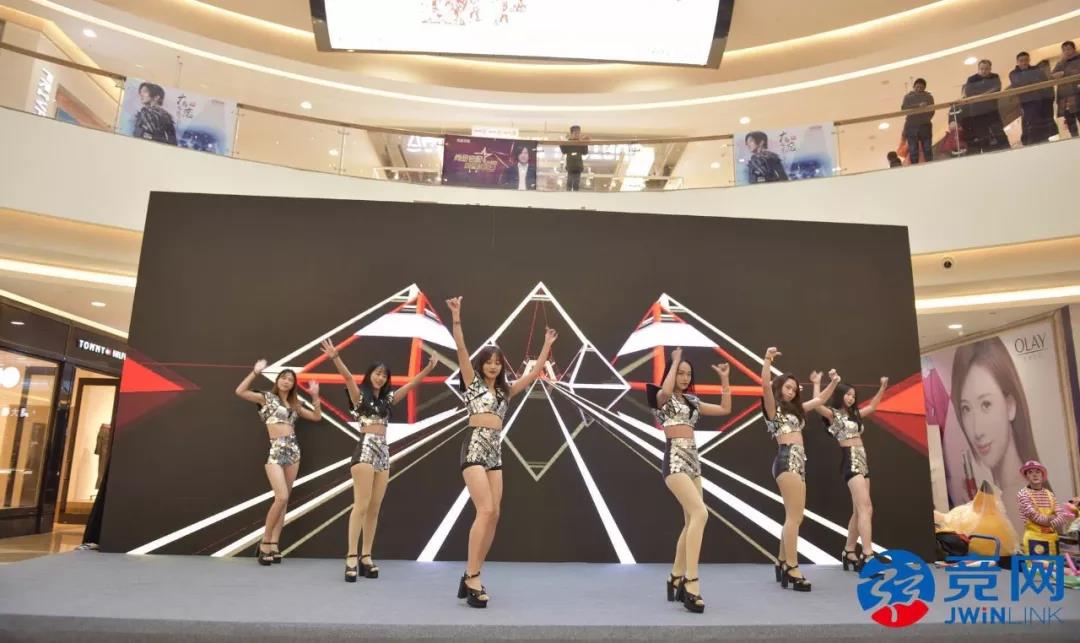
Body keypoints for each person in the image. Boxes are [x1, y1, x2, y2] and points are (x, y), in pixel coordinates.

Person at [445, 296, 556, 608]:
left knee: (494, 514)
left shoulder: (506, 391)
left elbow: (535, 374)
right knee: (484, 510)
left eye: (497, 362)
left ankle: (472, 572)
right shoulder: (472, 383)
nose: (493, 366)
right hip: (474, 446)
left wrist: (547, 345)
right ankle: (472, 577)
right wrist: (456, 318)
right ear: (481, 364)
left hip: (495, 451)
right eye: (489, 361)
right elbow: (461, 349)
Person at [320, 340, 438, 582]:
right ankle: (351, 556)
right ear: (369, 375)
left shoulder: (387, 400)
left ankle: (366, 556)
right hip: (364, 451)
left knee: (374, 508)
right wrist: (335, 357)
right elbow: (348, 378)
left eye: (384, 375)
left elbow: (411, 386)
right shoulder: (359, 397)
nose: (380, 378)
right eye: (377, 373)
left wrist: (427, 369)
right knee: (361, 505)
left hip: (383, 453)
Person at [648, 347, 731, 614]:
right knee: (700, 514)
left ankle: (675, 576)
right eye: (680, 373)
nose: (684, 378)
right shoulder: (660, 397)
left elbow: (725, 408)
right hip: (674, 461)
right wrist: (673, 362)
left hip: (694, 463)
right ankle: (690, 581)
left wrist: (725, 380)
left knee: (691, 521)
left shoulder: (693, 401)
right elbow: (665, 389)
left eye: (688, 374)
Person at [760, 348, 838, 592]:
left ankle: (782, 562)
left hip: (797, 462)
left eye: (794, 389)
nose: (791, 391)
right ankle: (792, 567)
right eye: (787, 387)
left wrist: (833, 382)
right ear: (779, 387)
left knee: (792, 516)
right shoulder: (773, 409)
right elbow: (765, 387)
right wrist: (767, 360)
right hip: (787, 460)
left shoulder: (795, 410)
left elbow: (820, 400)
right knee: (795, 517)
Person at [950, 337, 1042, 533]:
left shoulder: (1015, 497)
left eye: (986, 405)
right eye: (966, 409)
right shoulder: (1007, 492)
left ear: (1010, 406)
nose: (977, 431)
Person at [235, 360, 323, 565]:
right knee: (281, 497)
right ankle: (265, 542)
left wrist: (315, 396)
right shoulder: (266, 398)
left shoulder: (295, 404)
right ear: (278, 380)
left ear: (293, 384)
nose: (286, 381)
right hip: (276, 450)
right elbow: (240, 392)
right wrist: (254, 372)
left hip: (293, 451)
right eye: (283, 378)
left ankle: (274, 544)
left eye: (290, 379)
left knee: (285, 500)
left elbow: (316, 417)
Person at [811, 375, 889, 571]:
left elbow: (873, 406)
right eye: (848, 395)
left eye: (854, 396)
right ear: (840, 395)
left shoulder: (855, 415)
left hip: (862, 462)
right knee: (865, 508)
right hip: (851, 461)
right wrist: (817, 384)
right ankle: (868, 555)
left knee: (861, 510)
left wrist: (882, 387)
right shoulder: (833, 414)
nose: (851, 398)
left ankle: (849, 551)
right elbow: (817, 405)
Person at [1015, 460, 1078, 556]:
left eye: (1037, 472)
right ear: (1026, 476)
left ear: (1042, 475)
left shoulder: (1050, 494)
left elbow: (1061, 517)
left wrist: (1051, 522)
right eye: (1030, 472)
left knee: (1054, 565)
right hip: (1035, 540)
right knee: (1038, 566)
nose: (1034, 475)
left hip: (1052, 540)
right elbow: (1036, 518)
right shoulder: (1023, 494)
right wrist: (1053, 519)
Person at [960, 60, 1009, 153]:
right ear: (978, 69)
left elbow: (996, 89)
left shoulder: (995, 76)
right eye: (981, 69)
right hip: (977, 113)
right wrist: (986, 92)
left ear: (990, 69)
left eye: (986, 69)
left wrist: (980, 94)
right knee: (983, 135)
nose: (984, 71)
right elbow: (969, 93)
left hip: (992, 110)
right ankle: (987, 153)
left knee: (999, 131)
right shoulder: (971, 79)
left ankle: (1007, 150)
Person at [1010, 52, 1057, 146]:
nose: (1024, 62)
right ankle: (1032, 144)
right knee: (1031, 125)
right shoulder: (1014, 73)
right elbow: (1019, 84)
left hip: (1041, 101)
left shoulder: (1036, 69)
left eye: (1026, 60)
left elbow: (1044, 81)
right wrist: (1033, 82)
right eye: (1021, 60)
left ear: (1029, 60)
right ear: (1017, 62)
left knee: (1043, 125)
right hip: (1027, 103)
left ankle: (1045, 142)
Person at [901, 78, 934, 163]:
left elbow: (932, 111)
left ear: (924, 88)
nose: (919, 89)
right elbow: (904, 108)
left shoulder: (929, 97)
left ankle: (930, 164)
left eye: (921, 87)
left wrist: (925, 117)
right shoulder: (908, 97)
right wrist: (918, 106)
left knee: (927, 148)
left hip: (925, 125)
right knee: (913, 150)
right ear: (914, 86)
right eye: (917, 87)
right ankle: (915, 167)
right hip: (911, 126)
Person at [1052, 41, 1080, 137]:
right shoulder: (1061, 63)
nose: (1067, 52)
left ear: (1074, 49)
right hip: (1065, 97)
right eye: (1064, 50)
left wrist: (1065, 73)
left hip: (1077, 93)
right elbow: (1053, 75)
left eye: (1068, 49)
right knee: (1071, 124)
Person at [560, 125, 589, 191]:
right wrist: (561, 143)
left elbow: (585, 152)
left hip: (578, 166)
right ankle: (569, 193)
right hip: (570, 166)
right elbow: (564, 151)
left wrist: (585, 143)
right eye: (575, 133)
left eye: (578, 133)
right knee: (569, 182)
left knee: (576, 183)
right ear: (571, 133)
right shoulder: (568, 142)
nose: (577, 135)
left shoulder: (580, 143)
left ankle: (575, 193)